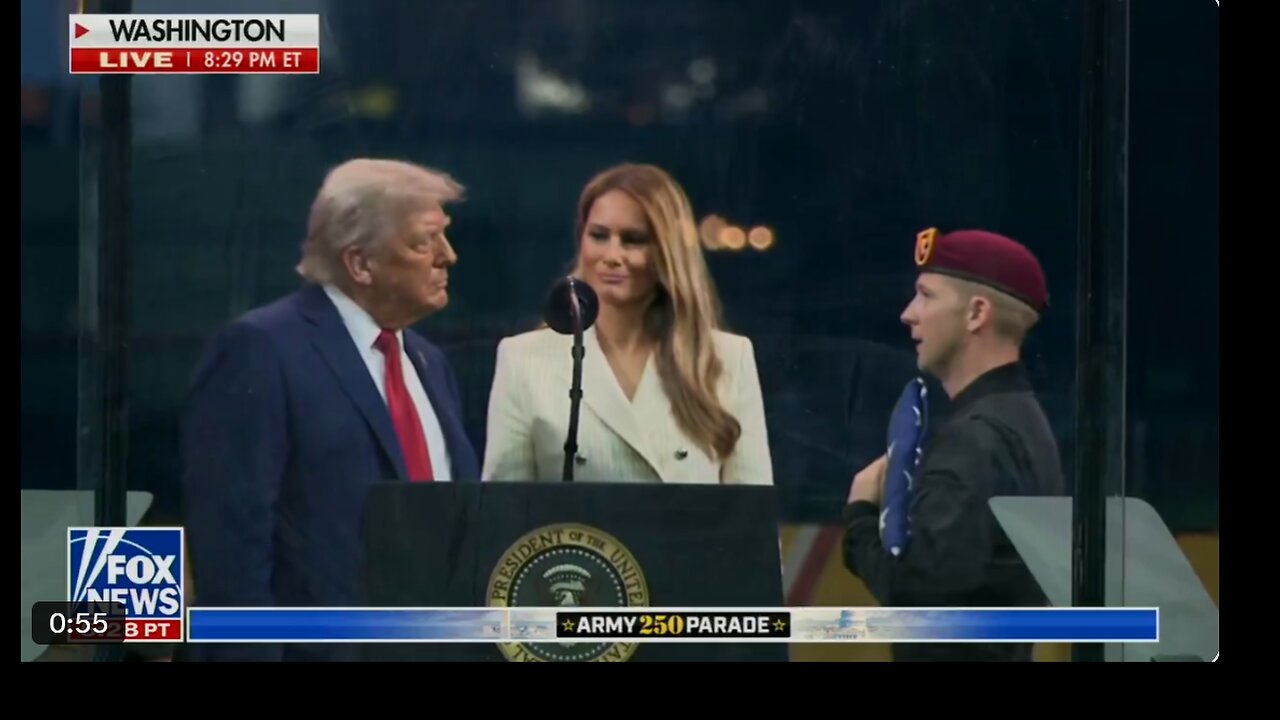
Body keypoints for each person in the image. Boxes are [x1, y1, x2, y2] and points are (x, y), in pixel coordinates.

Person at [180, 158, 480, 661]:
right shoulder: (261, 349)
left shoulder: (430, 363)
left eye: (444, 237)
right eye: (424, 242)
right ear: (360, 263)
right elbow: (232, 552)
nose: (448, 256)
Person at [842, 228, 1065, 662]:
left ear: (976, 313)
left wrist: (860, 517)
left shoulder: (976, 438)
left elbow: (922, 595)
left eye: (926, 296)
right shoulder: (1020, 419)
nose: (908, 314)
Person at [482, 163, 772, 485]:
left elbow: (753, 508)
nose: (612, 255)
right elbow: (503, 509)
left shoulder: (727, 358)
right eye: (599, 236)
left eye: (633, 240)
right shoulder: (523, 360)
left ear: (668, 251)